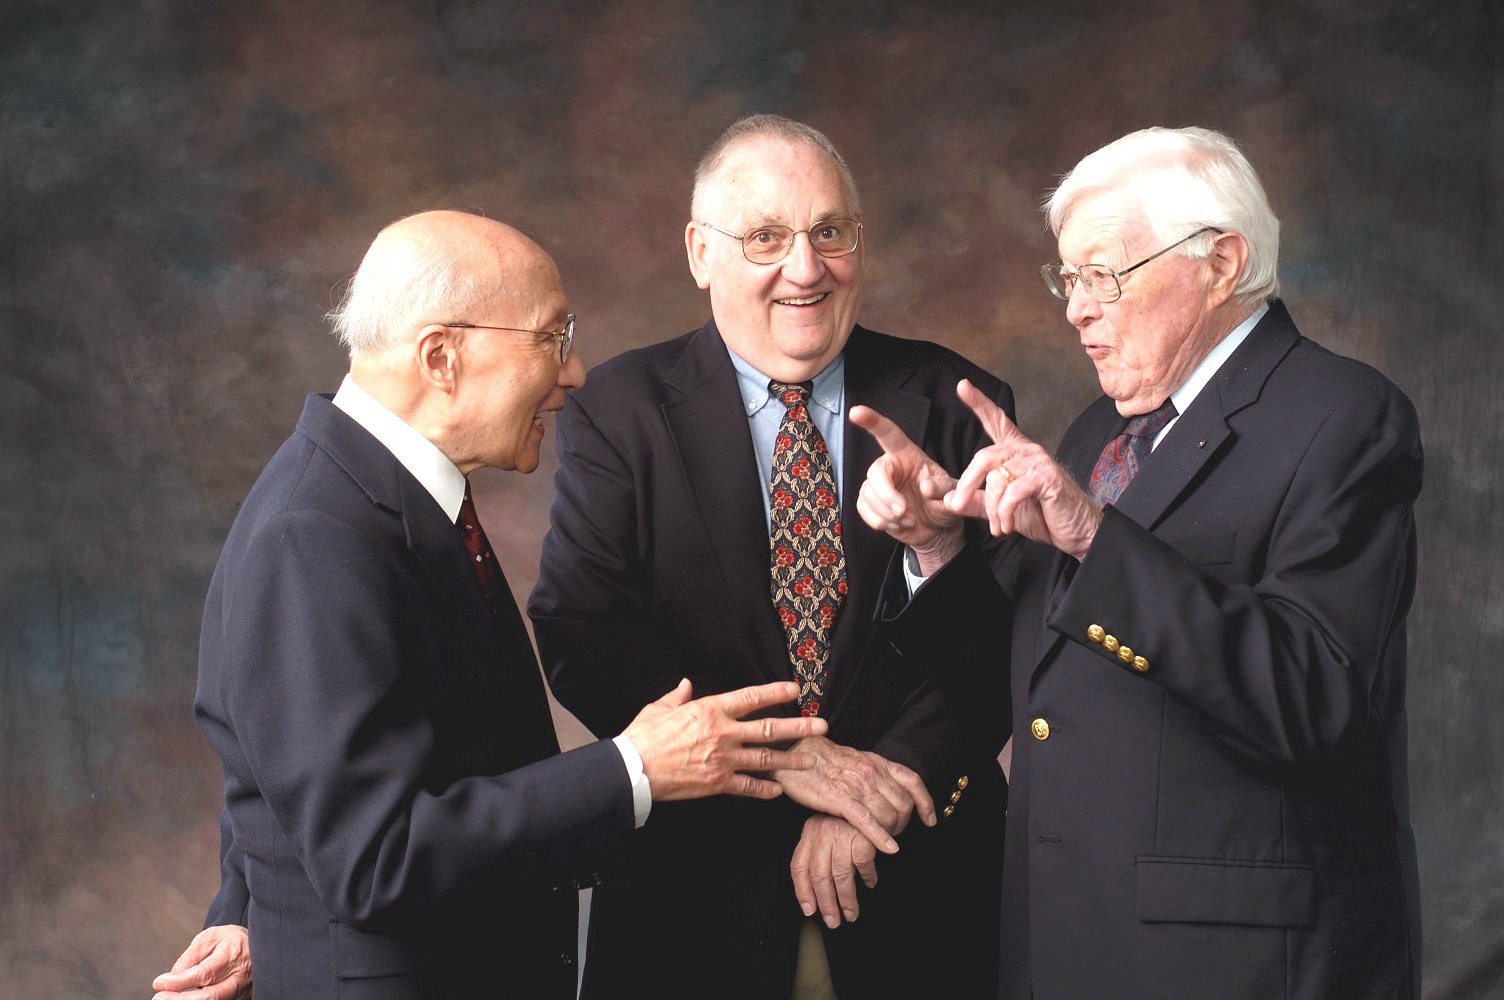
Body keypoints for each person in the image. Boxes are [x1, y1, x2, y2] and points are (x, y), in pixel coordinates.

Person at [150, 210, 831, 1000]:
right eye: (551, 338)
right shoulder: (316, 535)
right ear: (442, 356)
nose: (575, 374)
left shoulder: (393, 505)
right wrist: (633, 769)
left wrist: (248, 909)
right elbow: (377, 858)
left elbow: (279, 766)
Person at [855, 126, 1423, 998]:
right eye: (1069, 280)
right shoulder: (1099, 433)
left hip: (1234, 965)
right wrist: (933, 543)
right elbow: (1023, 676)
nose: (1077, 308)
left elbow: (1317, 697)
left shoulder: (1343, 416)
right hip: (1068, 945)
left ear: (1221, 263)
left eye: (1103, 275)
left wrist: (1093, 536)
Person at [527, 115, 1012, 998]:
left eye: (831, 232)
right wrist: (785, 760)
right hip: (696, 901)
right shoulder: (621, 411)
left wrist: (877, 792)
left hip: (919, 891)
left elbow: (1005, 644)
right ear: (699, 253)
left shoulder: (952, 399)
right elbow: (582, 635)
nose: (806, 267)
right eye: (766, 237)